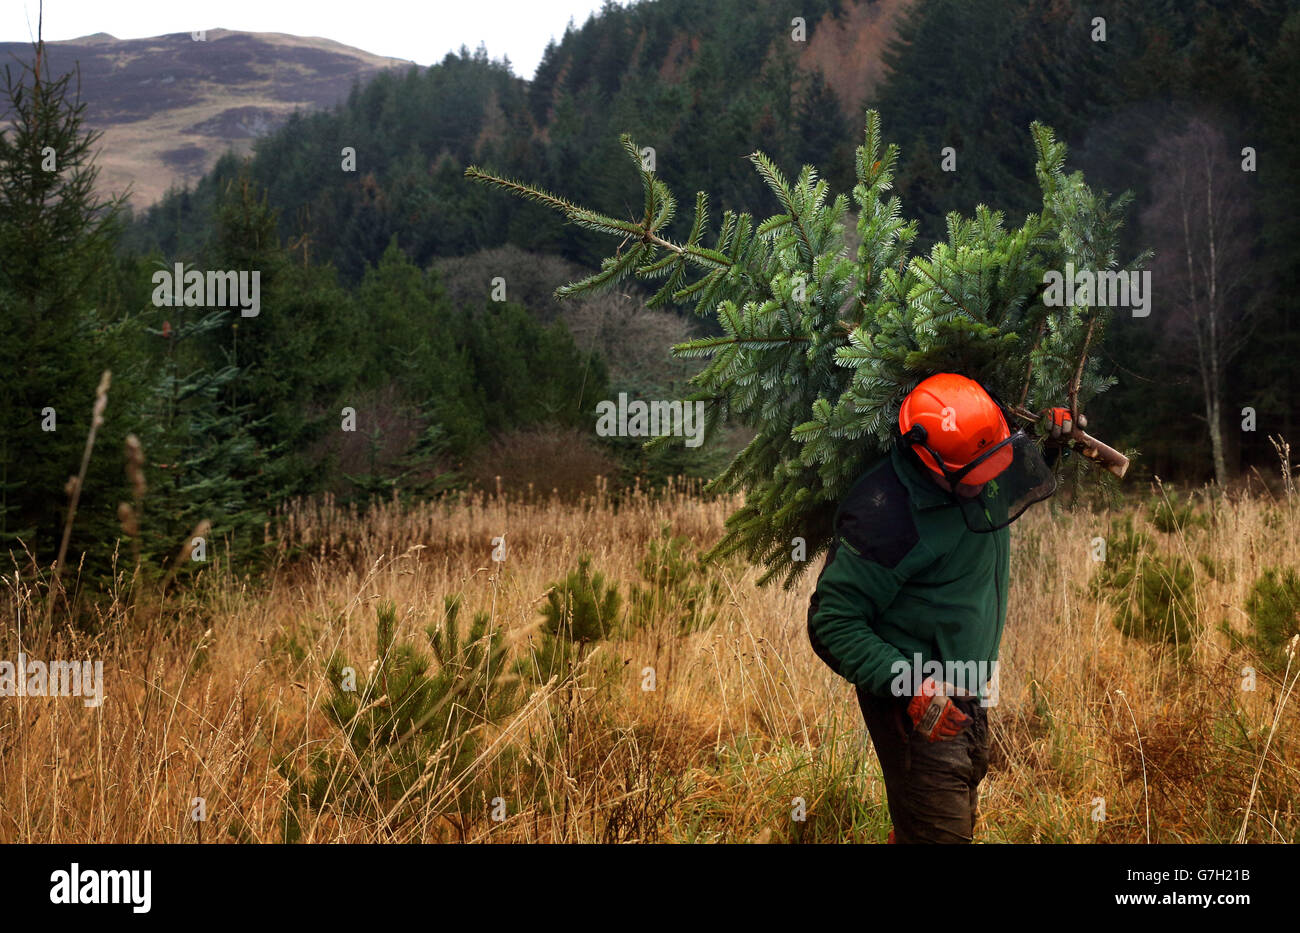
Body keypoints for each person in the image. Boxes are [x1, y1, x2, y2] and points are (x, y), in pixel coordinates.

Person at [806, 372, 1084, 844]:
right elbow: (832, 621)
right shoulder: (884, 515)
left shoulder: (980, 461)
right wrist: (910, 685)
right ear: (926, 458)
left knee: (933, 825)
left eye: (992, 466)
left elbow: (1006, 477)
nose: (984, 484)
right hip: (915, 706)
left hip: (968, 690)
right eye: (970, 478)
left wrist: (1050, 443)